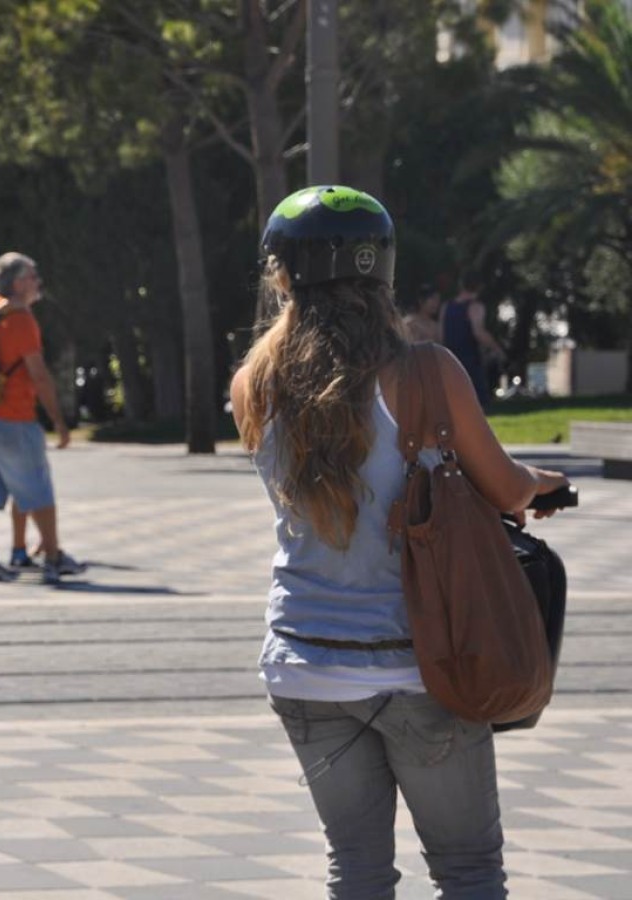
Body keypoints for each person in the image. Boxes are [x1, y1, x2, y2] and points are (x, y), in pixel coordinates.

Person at [229, 185, 569, 900]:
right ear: (381, 271)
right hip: (420, 662)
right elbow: (505, 489)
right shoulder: (427, 371)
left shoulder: (254, 382)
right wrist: (537, 481)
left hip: (303, 660)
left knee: (355, 869)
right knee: (468, 870)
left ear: (282, 275)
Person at [0, 252, 86, 585]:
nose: (38, 283)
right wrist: (59, 421)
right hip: (15, 415)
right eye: (33, 277)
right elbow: (39, 374)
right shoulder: (21, 319)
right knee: (38, 489)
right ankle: (53, 557)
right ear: (18, 282)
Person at [440, 272, 505, 409]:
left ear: (461, 285)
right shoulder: (475, 307)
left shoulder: (446, 307)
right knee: (477, 402)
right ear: (479, 287)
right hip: (470, 360)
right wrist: (496, 348)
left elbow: (441, 335)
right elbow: (478, 332)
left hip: (449, 360)